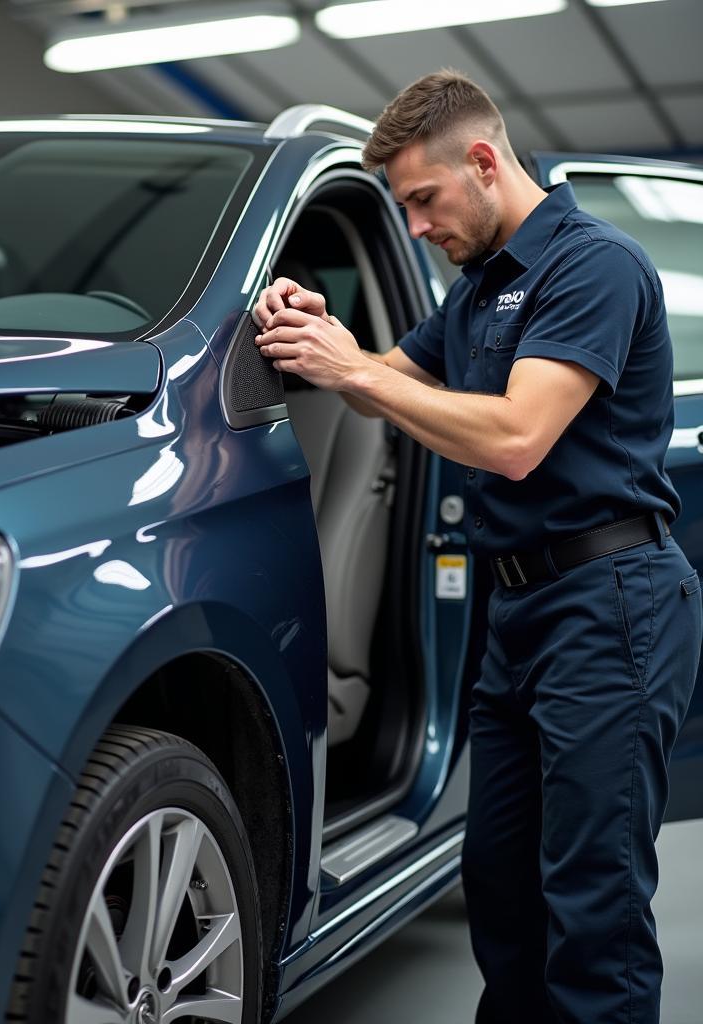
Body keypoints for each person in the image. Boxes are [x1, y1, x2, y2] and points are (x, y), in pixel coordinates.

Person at [254, 69, 701, 1024]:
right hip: (521, 615)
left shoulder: (594, 265)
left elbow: (513, 437)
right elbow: (378, 376)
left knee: (594, 909)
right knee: (500, 890)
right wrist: (313, 330)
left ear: (485, 163)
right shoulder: (474, 294)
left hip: (608, 603)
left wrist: (355, 375)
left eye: (423, 200)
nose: (415, 227)